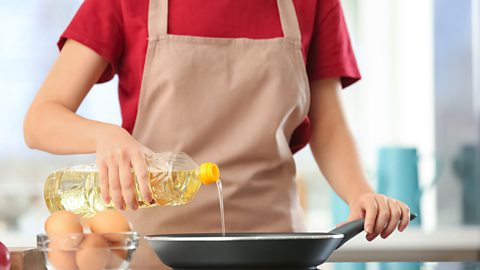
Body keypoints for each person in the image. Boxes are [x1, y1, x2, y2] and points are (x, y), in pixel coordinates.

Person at [24, 0, 411, 267]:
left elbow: (327, 125)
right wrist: (104, 136)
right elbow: (40, 119)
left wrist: (360, 193)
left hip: (275, 256)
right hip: (154, 259)